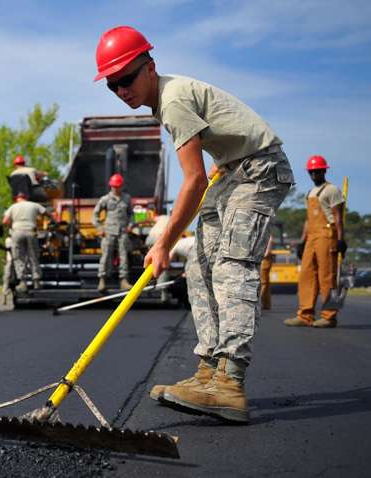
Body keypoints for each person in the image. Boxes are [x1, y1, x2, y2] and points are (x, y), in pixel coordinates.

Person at [94, 25, 293, 422]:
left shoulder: (173, 99)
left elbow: (194, 180)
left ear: (149, 67)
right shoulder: (165, 102)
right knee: (199, 266)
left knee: (232, 266)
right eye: (112, 85)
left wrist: (164, 241)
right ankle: (208, 371)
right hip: (233, 170)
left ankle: (230, 382)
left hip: (259, 170)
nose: (122, 90)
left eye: (127, 78)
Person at [285, 156, 346, 328]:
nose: (314, 174)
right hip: (311, 236)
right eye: (311, 171)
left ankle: (329, 316)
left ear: (324, 170)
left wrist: (341, 239)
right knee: (306, 275)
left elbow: (338, 217)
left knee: (327, 276)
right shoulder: (310, 193)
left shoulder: (331, 190)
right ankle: (305, 315)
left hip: (327, 234)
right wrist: (302, 241)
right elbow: (307, 220)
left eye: (317, 171)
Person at [3, 192, 54, 293]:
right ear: (26, 198)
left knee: (19, 258)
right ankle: (36, 282)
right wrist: (53, 221)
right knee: (33, 256)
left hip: (17, 233)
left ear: (17, 198)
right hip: (31, 231)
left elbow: (5, 221)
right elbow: (47, 213)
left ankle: (23, 282)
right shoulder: (34, 205)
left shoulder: (13, 207)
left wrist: (12, 226)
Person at [93, 173, 133, 292]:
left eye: (118, 186)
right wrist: (100, 228)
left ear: (122, 186)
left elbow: (132, 215)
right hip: (108, 232)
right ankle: (102, 280)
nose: (116, 188)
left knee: (124, 256)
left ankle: (124, 280)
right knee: (105, 256)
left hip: (122, 232)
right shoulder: (105, 199)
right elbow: (95, 215)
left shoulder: (127, 198)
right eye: (114, 186)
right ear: (111, 186)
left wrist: (130, 225)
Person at [260, 235, 274, 311]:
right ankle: (266, 304)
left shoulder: (266, 231)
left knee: (263, 283)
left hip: (265, 259)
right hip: (266, 258)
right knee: (266, 283)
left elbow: (270, 239)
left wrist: (265, 253)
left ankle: (258, 303)